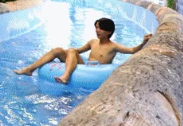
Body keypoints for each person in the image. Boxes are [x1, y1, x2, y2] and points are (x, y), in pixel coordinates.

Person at [13, 17, 152, 84]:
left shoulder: (113, 46)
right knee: (59, 50)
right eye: (96, 27)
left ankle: (66, 76)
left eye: (100, 28)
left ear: (109, 31)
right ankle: (29, 69)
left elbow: (132, 50)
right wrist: (63, 53)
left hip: (96, 72)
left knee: (71, 51)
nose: (97, 30)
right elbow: (77, 51)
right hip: (85, 67)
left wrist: (143, 42)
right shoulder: (93, 42)